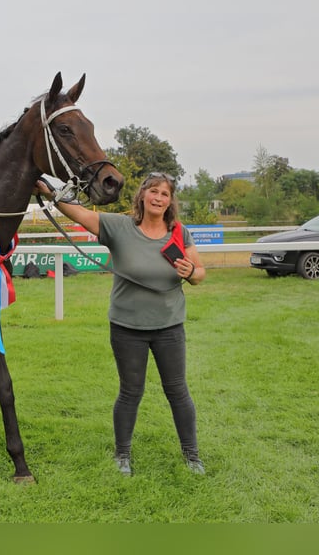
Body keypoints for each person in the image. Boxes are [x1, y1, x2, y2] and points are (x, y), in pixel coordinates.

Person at [36, 172, 207, 476]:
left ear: (170, 202)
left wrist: (190, 270)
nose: (158, 198)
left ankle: (192, 456)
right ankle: (122, 455)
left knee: (178, 391)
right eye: (153, 191)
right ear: (142, 195)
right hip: (127, 328)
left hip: (169, 327)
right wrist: (48, 192)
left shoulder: (179, 232)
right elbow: (79, 212)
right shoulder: (119, 227)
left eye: (164, 194)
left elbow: (200, 276)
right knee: (130, 392)